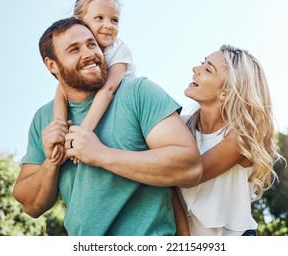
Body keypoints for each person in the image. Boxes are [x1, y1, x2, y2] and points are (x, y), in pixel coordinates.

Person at [12, 17, 202, 236]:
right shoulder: (44, 118)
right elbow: (31, 206)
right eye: (74, 49)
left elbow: (190, 167)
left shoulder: (138, 92)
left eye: (91, 44)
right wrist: (51, 162)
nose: (89, 54)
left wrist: (100, 154)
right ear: (52, 65)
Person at [179, 45, 284, 236]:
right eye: (203, 63)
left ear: (225, 92)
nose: (196, 69)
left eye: (208, 69)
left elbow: (186, 176)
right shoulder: (183, 125)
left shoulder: (241, 139)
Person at [52, 0, 136, 163]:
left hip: (127, 109)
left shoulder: (118, 50)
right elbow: (61, 93)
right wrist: (61, 135)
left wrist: (83, 133)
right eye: (99, 18)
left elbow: (109, 89)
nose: (109, 25)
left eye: (114, 20)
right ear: (79, 22)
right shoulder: (79, 58)